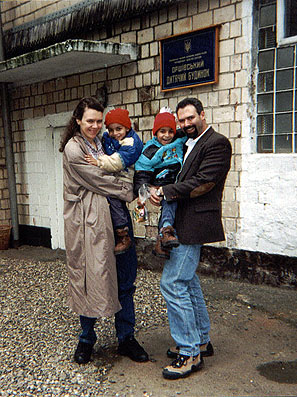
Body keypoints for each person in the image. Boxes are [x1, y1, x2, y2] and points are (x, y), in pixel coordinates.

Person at [60, 97, 148, 365]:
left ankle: (126, 338)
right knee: (89, 278)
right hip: (88, 225)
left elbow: (130, 157)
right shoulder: (74, 150)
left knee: (125, 278)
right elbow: (101, 180)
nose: (95, 126)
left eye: (99, 121)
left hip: (118, 222)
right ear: (78, 120)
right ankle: (86, 339)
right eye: (90, 121)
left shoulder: (106, 142)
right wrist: (130, 188)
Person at [149, 98, 232, 380]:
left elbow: (204, 183)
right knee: (188, 281)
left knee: (172, 283)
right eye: (181, 121)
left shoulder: (217, 143)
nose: (185, 125)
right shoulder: (186, 143)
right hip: (182, 222)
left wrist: (165, 191)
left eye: (189, 119)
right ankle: (201, 341)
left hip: (195, 223)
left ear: (202, 115)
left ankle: (189, 354)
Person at [85, 108, 143, 255]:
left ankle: (123, 235)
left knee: (114, 200)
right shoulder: (109, 138)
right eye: (111, 130)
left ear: (127, 127)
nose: (115, 133)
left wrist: (98, 162)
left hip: (124, 181)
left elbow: (117, 162)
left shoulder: (132, 143)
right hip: (116, 178)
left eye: (119, 129)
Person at [134, 108, 187, 259]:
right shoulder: (150, 151)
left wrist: (177, 121)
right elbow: (142, 173)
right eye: (162, 131)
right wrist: (146, 190)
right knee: (167, 203)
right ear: (155, 132)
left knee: (170, 206)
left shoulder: (179, 141)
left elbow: (186, 132)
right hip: (159, 185)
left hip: (175, 182)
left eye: (170, 131)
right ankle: (165, 231)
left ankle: (161, 243)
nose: (167, 135)